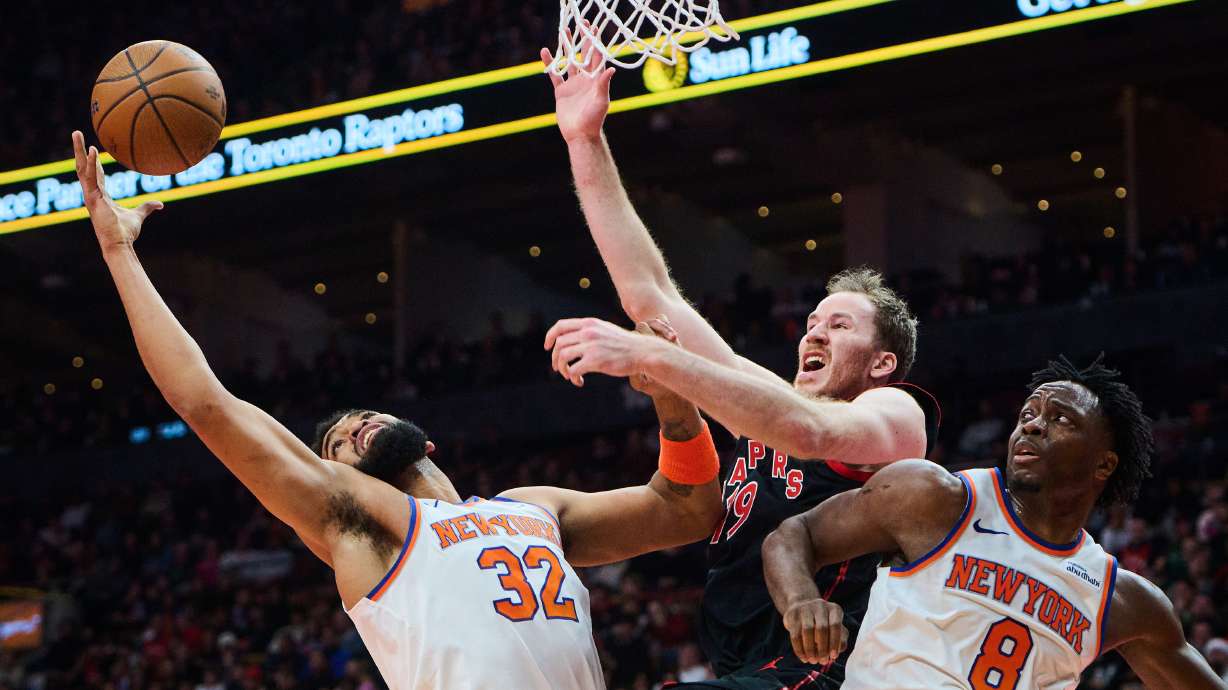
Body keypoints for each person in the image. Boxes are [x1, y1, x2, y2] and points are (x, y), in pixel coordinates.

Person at [71, 130, 724, 690]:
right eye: (335, 444)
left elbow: (687, 510)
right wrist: (118, 252)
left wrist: (672, 401)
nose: (351, 426)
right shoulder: (361, 523)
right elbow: (205, 402)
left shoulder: (532, 508)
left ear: (428, 440)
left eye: (359, 416)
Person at [541, 46, 939, 687]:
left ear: (882, 362)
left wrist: (650, 354)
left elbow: (809, 433)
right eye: (812, 323)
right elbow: (650, 296)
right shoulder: (764, 401)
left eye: (839, 326)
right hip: (746, 661)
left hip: (832, 662)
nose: (815, 332)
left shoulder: (896, 414)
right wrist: (584, 139)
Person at [762, 356, 1227, 689]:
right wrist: (800, 601)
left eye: (1060, 418)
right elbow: (791, 536)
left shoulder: (1120, 599)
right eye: (1027, 415)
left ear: (1103, 465)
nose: (1032, 426)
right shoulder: (934, 498)